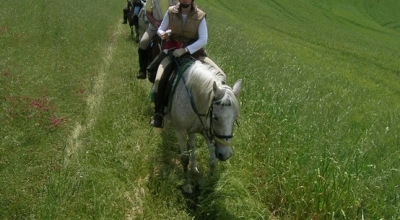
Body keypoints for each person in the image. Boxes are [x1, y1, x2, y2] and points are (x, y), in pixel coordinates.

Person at [149, 0, 225, 128]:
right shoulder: (171, 12)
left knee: (222, 76)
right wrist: (162, 34)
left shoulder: (200, 16)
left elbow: (203, 39)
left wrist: (185, 50)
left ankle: (215, 116)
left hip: (194, 53)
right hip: (172, 51)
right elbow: (161, 28)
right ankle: (158, 114)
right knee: (158, 80)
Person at [136, 0, 177, 79]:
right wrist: (154, 22)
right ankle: (142, 70)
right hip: (155, 27)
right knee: (143, 42)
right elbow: (148, 13)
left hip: (172, 27)